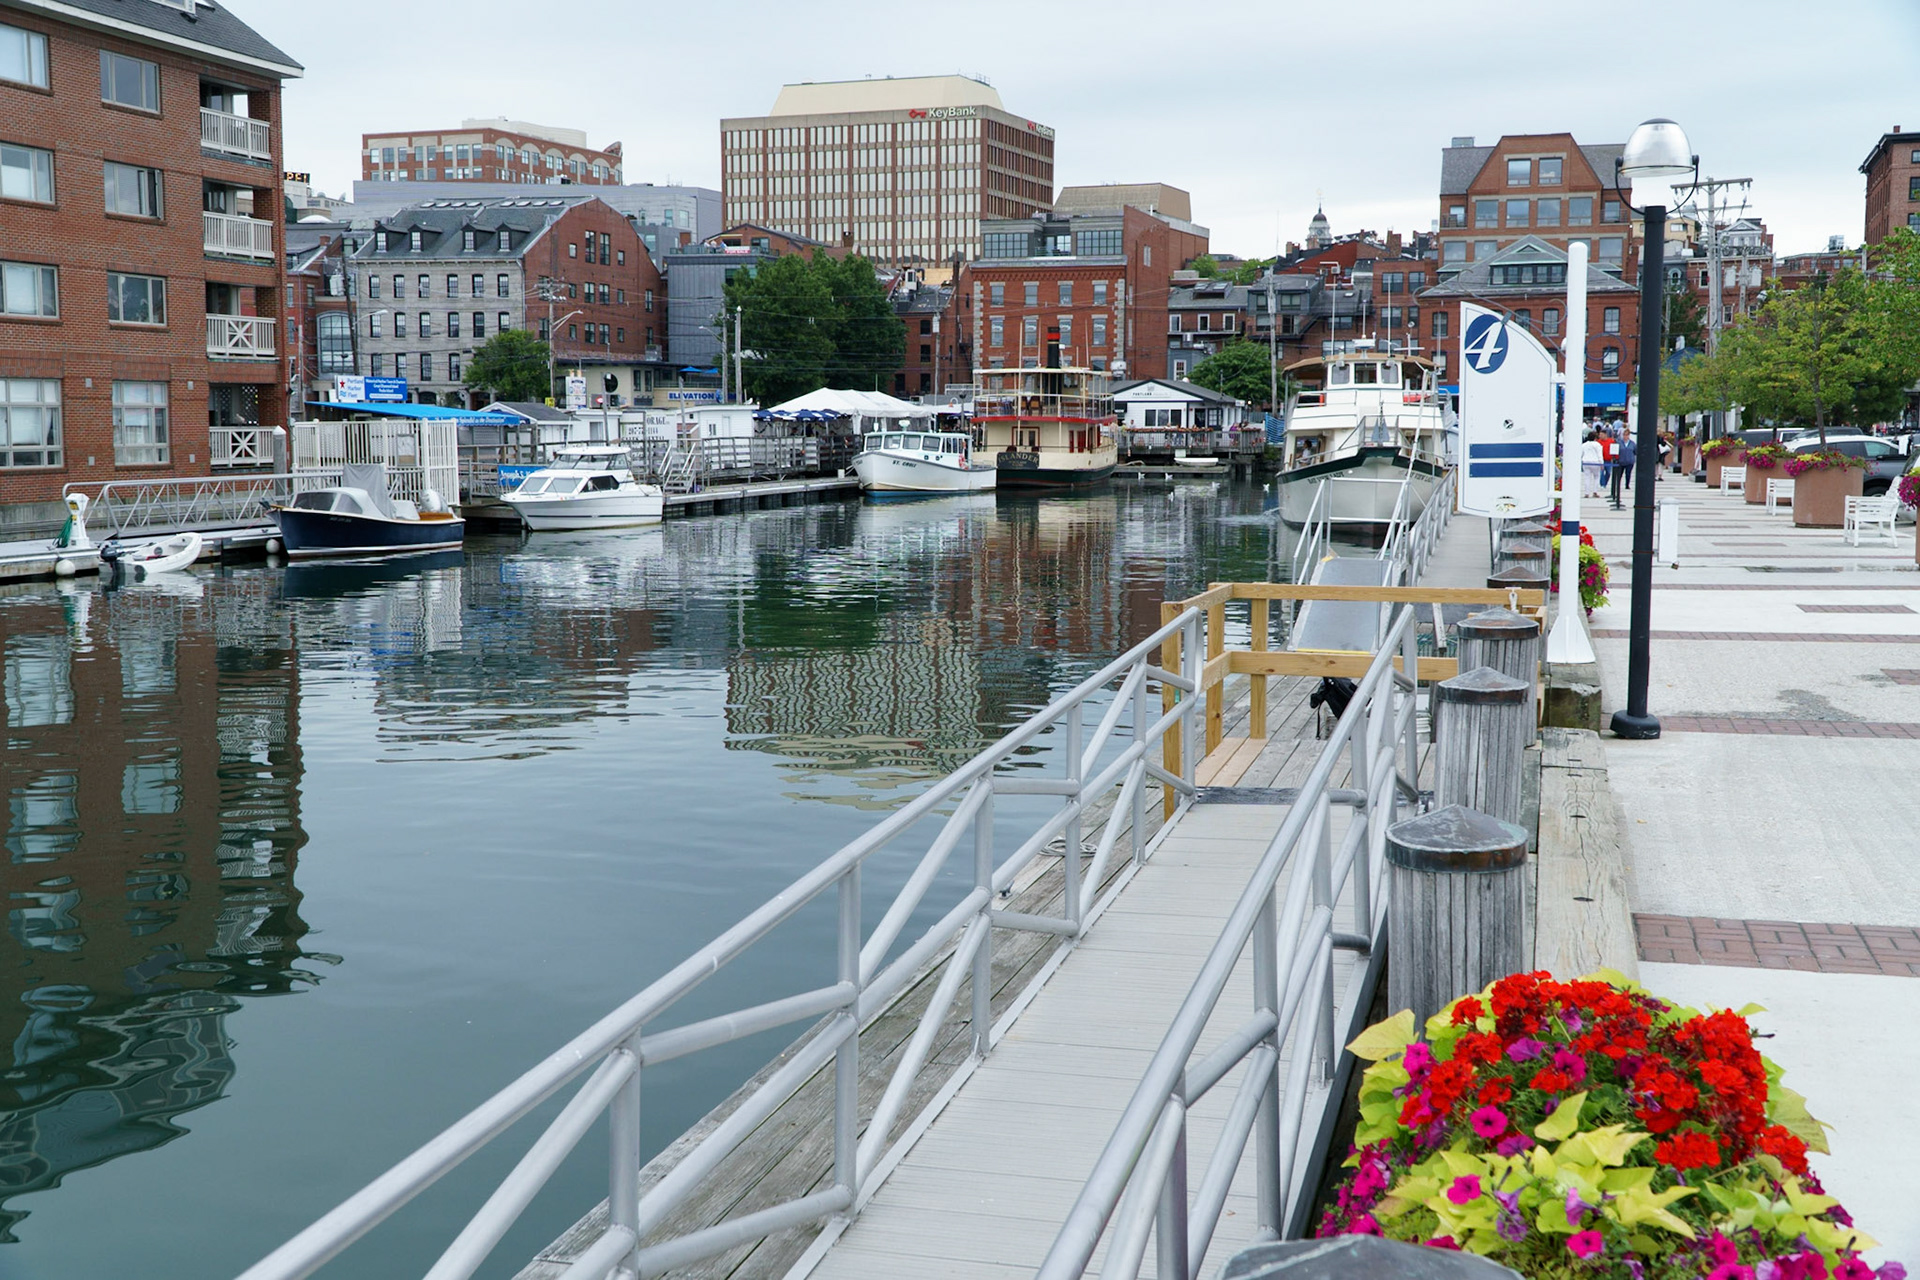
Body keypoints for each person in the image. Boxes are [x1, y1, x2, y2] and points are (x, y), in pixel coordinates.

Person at [1612, 434, 1637, 506]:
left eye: (1627, 435)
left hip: (1629, 461)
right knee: (1619, 474)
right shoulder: (1619, 443)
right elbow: (1616, 451)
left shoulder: (1632, 443)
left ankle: (1627, 484)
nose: (1625, 437)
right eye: (1624, 435)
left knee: (1628, 473)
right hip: (1621, 461)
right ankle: (1617, 485)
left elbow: (1635, 452)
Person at [1581, 431, 1605, 496]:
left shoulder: (1584, 445)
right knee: (1596, 477)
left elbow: (1581, 454)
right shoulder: (1597, 445)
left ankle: (1587, 493)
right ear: (1595, 438)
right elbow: (1600, 455)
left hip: (1586, 462)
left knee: (1587, 477)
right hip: (1595, 462)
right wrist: (1602, 463)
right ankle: (1595, 491)